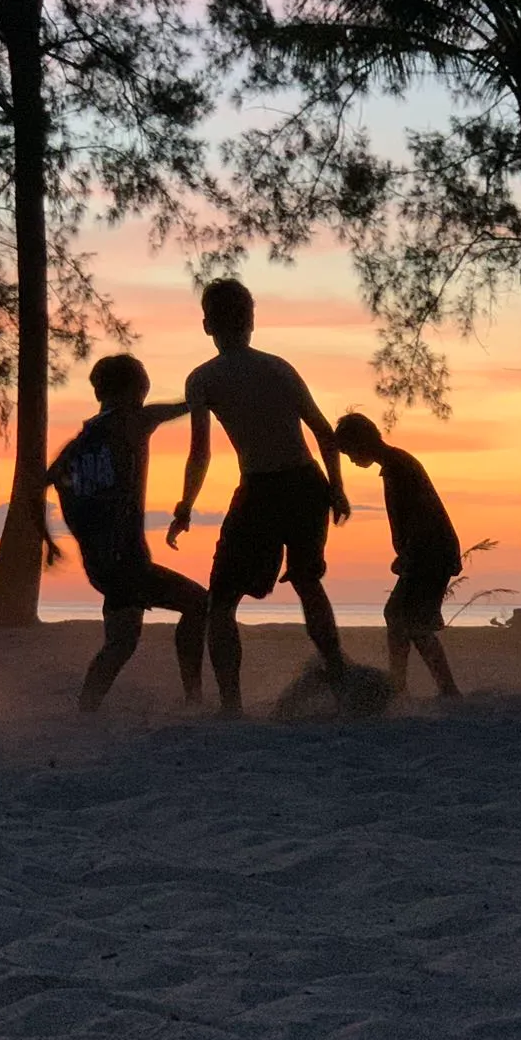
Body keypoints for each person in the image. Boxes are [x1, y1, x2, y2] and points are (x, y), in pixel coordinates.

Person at [167, 278, 353, 715]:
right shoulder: (278, 367)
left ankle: (231, 704)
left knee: (222, 603)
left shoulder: (203, 379)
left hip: (263, 489)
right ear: (251, 322)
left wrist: (185, 506)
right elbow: (323, 433)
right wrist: (337, 488)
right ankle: (339, 676)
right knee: (308, 583)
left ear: (207, 324)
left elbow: (200, 452)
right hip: (307, 485)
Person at [48, 354, 208, 712]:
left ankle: (87, 706)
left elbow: (36, 487)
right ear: (137, 390)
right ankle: (194, 697)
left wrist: (49, 542)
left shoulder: (77, 446)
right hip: (127, 561)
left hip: (101, 567)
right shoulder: (133, 421)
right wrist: (204, 395)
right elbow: (181, 407)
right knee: (200, 604)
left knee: (121, 643)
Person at [332, 413, 462, 698]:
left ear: (361, 442)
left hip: (430, 552)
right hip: (429, 551)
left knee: (404, 617)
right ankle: (424, 686)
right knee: (411, 621)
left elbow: (422, 515)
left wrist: (410, 553)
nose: (351, 460)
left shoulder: (398, 468)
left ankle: (403, 686)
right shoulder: (397, 464)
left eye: (349, 452)